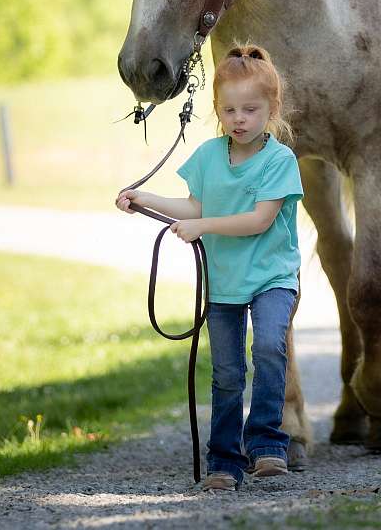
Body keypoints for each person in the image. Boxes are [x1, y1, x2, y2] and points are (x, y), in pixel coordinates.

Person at [115, 42, 303, 492]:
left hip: (273, 278)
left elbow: (259, 220)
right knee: (226, 372)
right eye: (230, 110)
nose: (240, 119)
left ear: (271, 109)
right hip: (223, 284)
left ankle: (267, 445)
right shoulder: (208, 157)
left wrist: (200, 225)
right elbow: (193, 205)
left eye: (251, 109)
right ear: (218, 110)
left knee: (271, 349)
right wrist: (144, 199)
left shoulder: (280, 160)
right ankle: (225, 460)